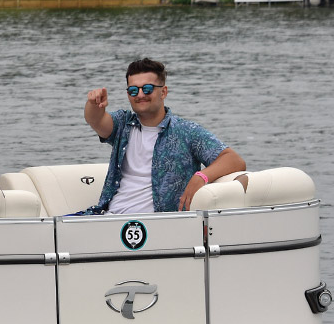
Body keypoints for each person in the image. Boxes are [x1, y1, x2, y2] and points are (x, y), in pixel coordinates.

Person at [83, 58, 245, 214]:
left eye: (147, 89)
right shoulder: (122, 124)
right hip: (112, 217)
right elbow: (96, 120)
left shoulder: (186, 131)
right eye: (133, 90)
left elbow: (233, 160)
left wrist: (201, 176)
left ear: (163, 92)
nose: (140, 94)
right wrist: (94, 104)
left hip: (162, 223)